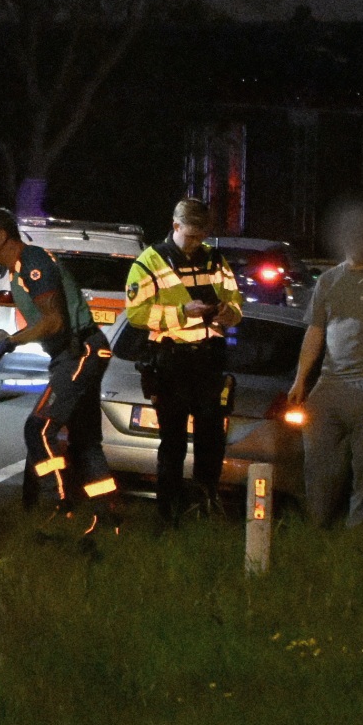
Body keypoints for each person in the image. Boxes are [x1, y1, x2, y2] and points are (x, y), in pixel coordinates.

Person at [0, 207, 120, 523]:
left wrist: (11, 342)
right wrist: (1, 336)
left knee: (39, 429)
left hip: (80, 351)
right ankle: (105, 516)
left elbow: (53, 322)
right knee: (84, 440)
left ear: (1, 236)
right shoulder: (18, 271)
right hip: (77, 352)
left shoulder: (33, 263)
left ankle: (59, 506)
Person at [123, 198, 244, 525]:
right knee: (172, 443)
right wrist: (180, 313)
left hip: (208, 361)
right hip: (171, 363)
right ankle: (168, 514)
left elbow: (235, 304)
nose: (194, 243)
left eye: (200, 236)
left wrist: (226, 312)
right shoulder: (148, 263)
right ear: (175, 226)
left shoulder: (215, 260)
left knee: (211, 440)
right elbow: (136, 314)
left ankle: (205, 505)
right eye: (189, 236)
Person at [286, 207, 363, 528]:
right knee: (319, 462)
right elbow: (315, 333)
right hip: (328, 386)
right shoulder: (328, 281)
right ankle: (318, 524)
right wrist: (301, 380)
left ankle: (358, 531)